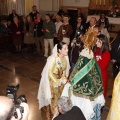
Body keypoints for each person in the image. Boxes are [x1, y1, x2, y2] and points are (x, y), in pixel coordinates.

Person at [61, 28, 105, 120]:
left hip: (82, 97)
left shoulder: (85, 55)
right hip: (93, 90)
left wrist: (71, 79)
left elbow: (78, 69)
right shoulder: (91, 57)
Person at [37, 42, 70, 120]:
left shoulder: (65, 58)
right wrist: (56, 81)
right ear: (59, 50)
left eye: (67, 48)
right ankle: (53, 116)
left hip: (60, 81)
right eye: (65, 49)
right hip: (53, 81)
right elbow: (49, 72)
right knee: (54, 100)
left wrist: (64, 78)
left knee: (61, 98)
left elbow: (64, 70)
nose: (67, 50)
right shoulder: (54, 59)